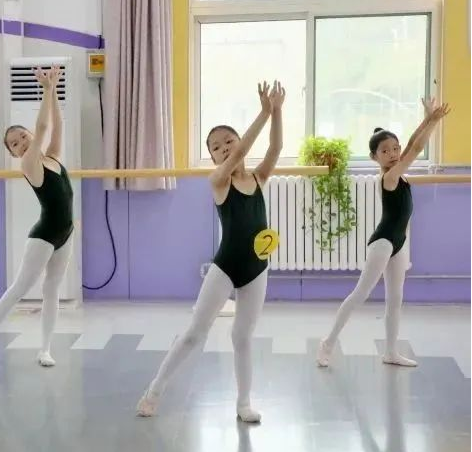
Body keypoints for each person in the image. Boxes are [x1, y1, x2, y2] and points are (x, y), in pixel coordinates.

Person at [136, 81, 286, 423]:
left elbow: (276, 147)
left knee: (242, 337)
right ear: (214, 157)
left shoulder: (258, 179)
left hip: (257, 268)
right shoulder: (218, 181)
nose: (224, 148)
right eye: (216, 147)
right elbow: (239, 154)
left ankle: (243, 403)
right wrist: (264, 113)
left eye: (228, 141)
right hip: (225, 267)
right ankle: (155, 389)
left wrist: (277, 112)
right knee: (195, 332)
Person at [317, 96, 450, 368]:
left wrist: (428, 118)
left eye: (395, 148)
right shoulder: (389, 177)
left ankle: (390, 352)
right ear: (374, 157)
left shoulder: (400, 174)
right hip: (383, 241)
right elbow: (416, 147)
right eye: (386, 151)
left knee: (395, 298)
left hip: (400, 242)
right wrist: (433, 121)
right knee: (360, 294)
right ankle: (327, 343)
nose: (393, 153)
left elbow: (411, 144)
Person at [0, 66, 73, 367]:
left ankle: (45, 349)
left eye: (22, 136)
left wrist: (54, 90)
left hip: (66, 234)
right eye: (15, 143)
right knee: (20, 288)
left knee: (52, 290)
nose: (22, 142)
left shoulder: (52, 158)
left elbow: (56, 125)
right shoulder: (29, 165)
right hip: (43, 237)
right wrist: (46, 90)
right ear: (15, 154)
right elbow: (42, 128)